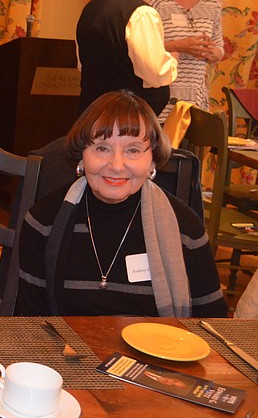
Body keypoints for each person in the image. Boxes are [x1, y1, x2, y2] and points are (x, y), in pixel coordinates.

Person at [15, 90, 226, 317]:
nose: (117, 165)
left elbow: (211, 325)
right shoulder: (43, 222)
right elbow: (30, 323)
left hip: (161, 351)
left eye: (133, 150)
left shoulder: (185, 228)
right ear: (81, 156)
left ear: (152, 159)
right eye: (102, 148)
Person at [76, 0, 178, 116]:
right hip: (127, 120)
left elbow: (82, 64)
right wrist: (172, 61)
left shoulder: (91, 7)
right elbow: (155, 73)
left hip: (93, 113)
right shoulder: (142, 12)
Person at [150, 0, 224, 115]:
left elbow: (219, 49)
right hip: (163, 101)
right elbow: (146, 49)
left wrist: (213, 52)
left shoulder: (212, 2)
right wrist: (179, 46)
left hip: (196, 103)